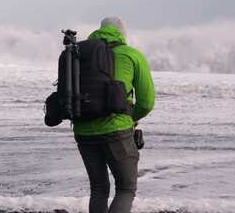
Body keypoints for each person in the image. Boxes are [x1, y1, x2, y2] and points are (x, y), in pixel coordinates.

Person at [48, 17, 155, 213]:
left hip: (83, 130)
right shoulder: (131, 54)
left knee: (98, 189)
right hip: (117, 131)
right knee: (126, 188)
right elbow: (147, 103)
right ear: (123, 33)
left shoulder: (79, 55)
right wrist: (130, 119)